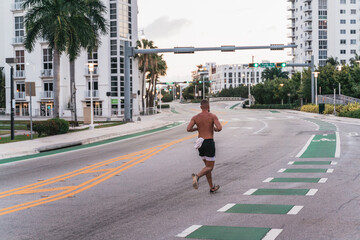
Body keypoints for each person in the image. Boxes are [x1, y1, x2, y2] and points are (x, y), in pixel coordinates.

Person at [187, 99, 222, 193]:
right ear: (209, 106)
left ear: (200, 107)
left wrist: (197, 128)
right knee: (210, 167)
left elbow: (188, 129)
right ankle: (197, 176)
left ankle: (211, 187)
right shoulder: (212, 116)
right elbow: (219, 128)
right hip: (208, 142)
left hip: (200, 142)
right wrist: (214, 129)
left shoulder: (195, 117)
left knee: (207, 167)